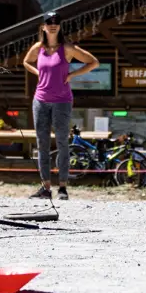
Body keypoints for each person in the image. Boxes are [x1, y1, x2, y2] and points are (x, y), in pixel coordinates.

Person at [22, 10, 99, 201]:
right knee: (42, 143)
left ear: (60, 26)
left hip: (62, 101)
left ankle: (63, 187)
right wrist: (38, 73)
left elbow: (93, 62)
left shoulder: (67, 48)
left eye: (56, 22)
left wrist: (72, 75)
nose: (53, 25)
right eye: (49, 22)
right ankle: (45, 187)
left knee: (63, 142)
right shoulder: (38, 47)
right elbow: (26, 61)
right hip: (40, 100)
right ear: (43, 27)